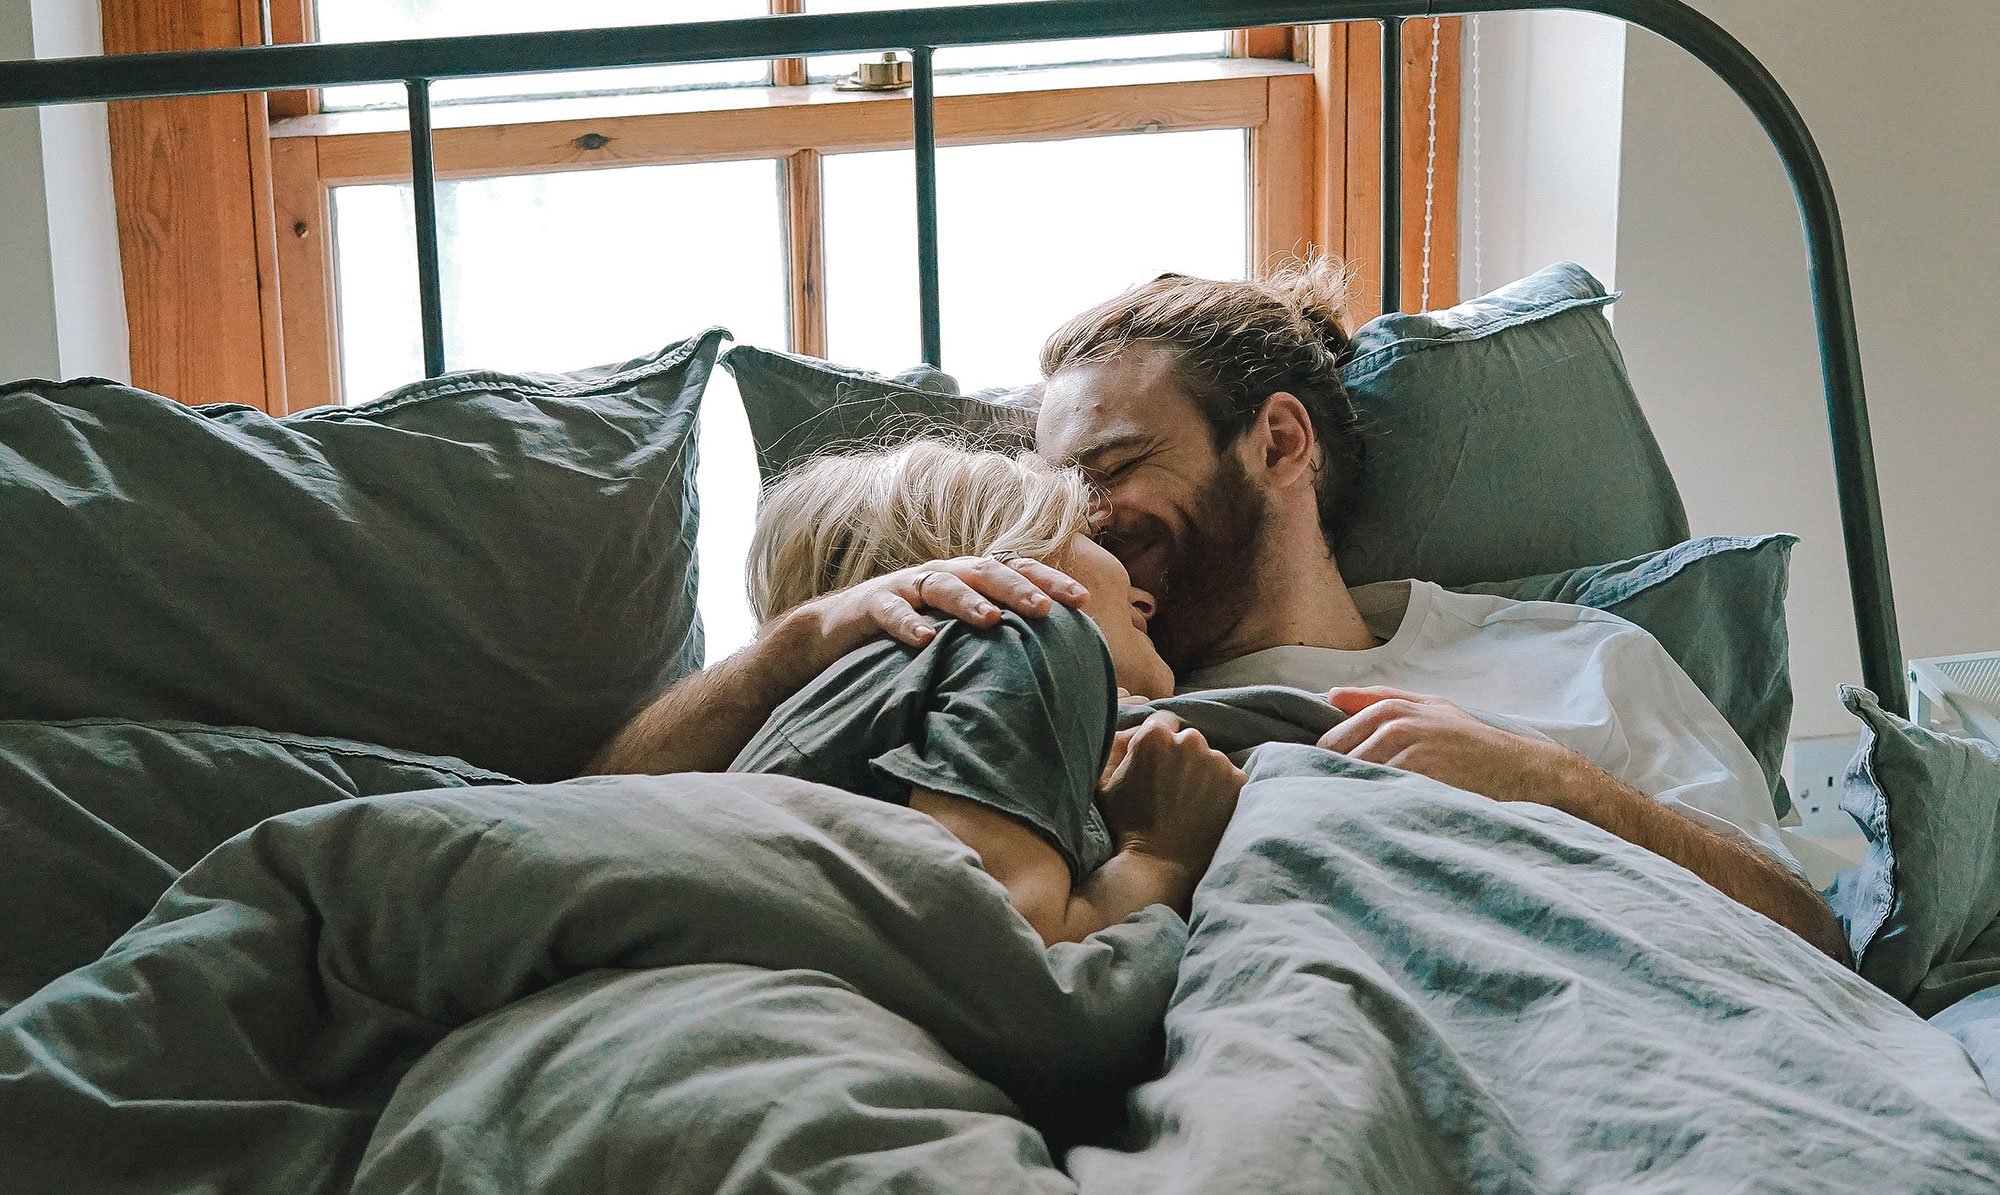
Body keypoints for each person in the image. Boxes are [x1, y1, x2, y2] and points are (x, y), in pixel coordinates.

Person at [1030, 255, 1850, 962]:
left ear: (1280, 442)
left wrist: (1548, 781)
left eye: (1113, 467)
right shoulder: (1077, 692)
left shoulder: (1579, 659)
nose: (1082, 520)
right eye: (1059, 496)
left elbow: (1813, 937)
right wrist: (898, 602)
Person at [590, 440, 1243, 947]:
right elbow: (1023, 970)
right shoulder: (1014, 641)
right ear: (998, 556)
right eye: (1092, 540)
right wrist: (1162, 858)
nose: (1143, 589)